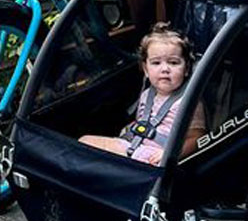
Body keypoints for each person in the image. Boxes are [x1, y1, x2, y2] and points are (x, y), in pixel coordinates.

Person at [79, 23, 206, 166]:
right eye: (156, 63)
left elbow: (197, 137)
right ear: (146, 69)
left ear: (187, 69)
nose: (165, 69)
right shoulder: (147, 94)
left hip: (154, 158)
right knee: (84, 141)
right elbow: (144, 123)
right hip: (133, 146)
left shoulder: (189, 100)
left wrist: (170, 154)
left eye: (173, 62)